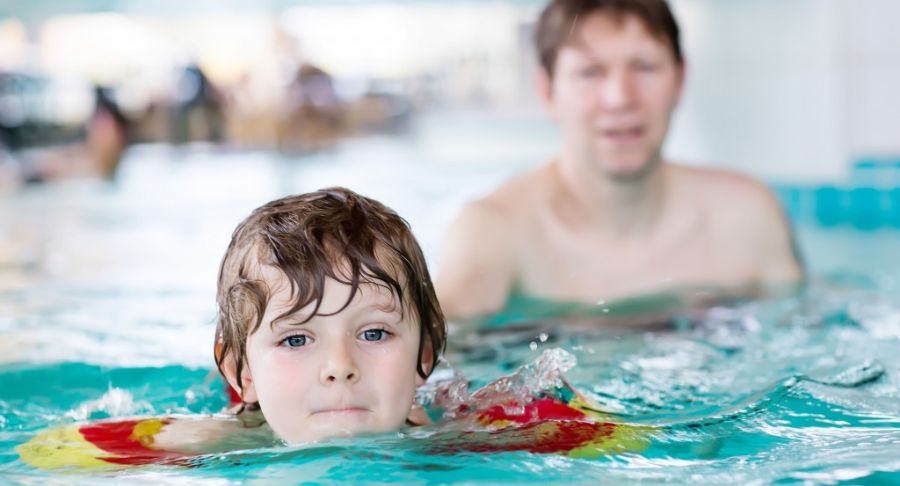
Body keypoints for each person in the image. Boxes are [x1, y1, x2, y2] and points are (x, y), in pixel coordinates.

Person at [16, 189, 650, 470]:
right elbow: (44, 451)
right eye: (296, 339)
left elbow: (633, 438)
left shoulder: (459, 432)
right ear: (240, 372)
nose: (339, 366)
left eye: (374, 334)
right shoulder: (218, 441)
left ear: (426, 352)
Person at [436, 0, 804, 323]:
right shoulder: (496, 231)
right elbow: (426, 355)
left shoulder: (746, 216)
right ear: (547, 92)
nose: (620, 98)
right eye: (590, 72)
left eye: (644, 67)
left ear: (680, 81)